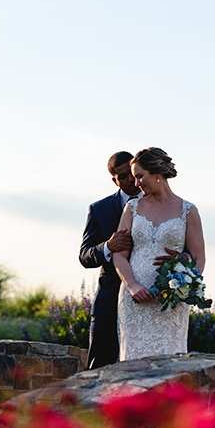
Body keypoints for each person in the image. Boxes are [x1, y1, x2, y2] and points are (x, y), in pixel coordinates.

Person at [113, 147, 206, 362]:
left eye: (139, 176)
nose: (136, 184)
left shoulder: (188, 211)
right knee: (133, 363)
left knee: (169, 363)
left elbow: (199, 259)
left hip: (170, 302)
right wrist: (132, 285)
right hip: (135, 300)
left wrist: (183, 282)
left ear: (157, 173)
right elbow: (119, 255)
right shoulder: (132, 208)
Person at [79, 151, 142, 369]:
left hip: (149, 298)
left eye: (133, 175)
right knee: (99, 368)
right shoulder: (99, 209)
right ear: (114, 180)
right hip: (109, 300)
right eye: (123, 177)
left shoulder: (161, 206)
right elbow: (85, 255)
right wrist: (108, 246)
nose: (131, 182)